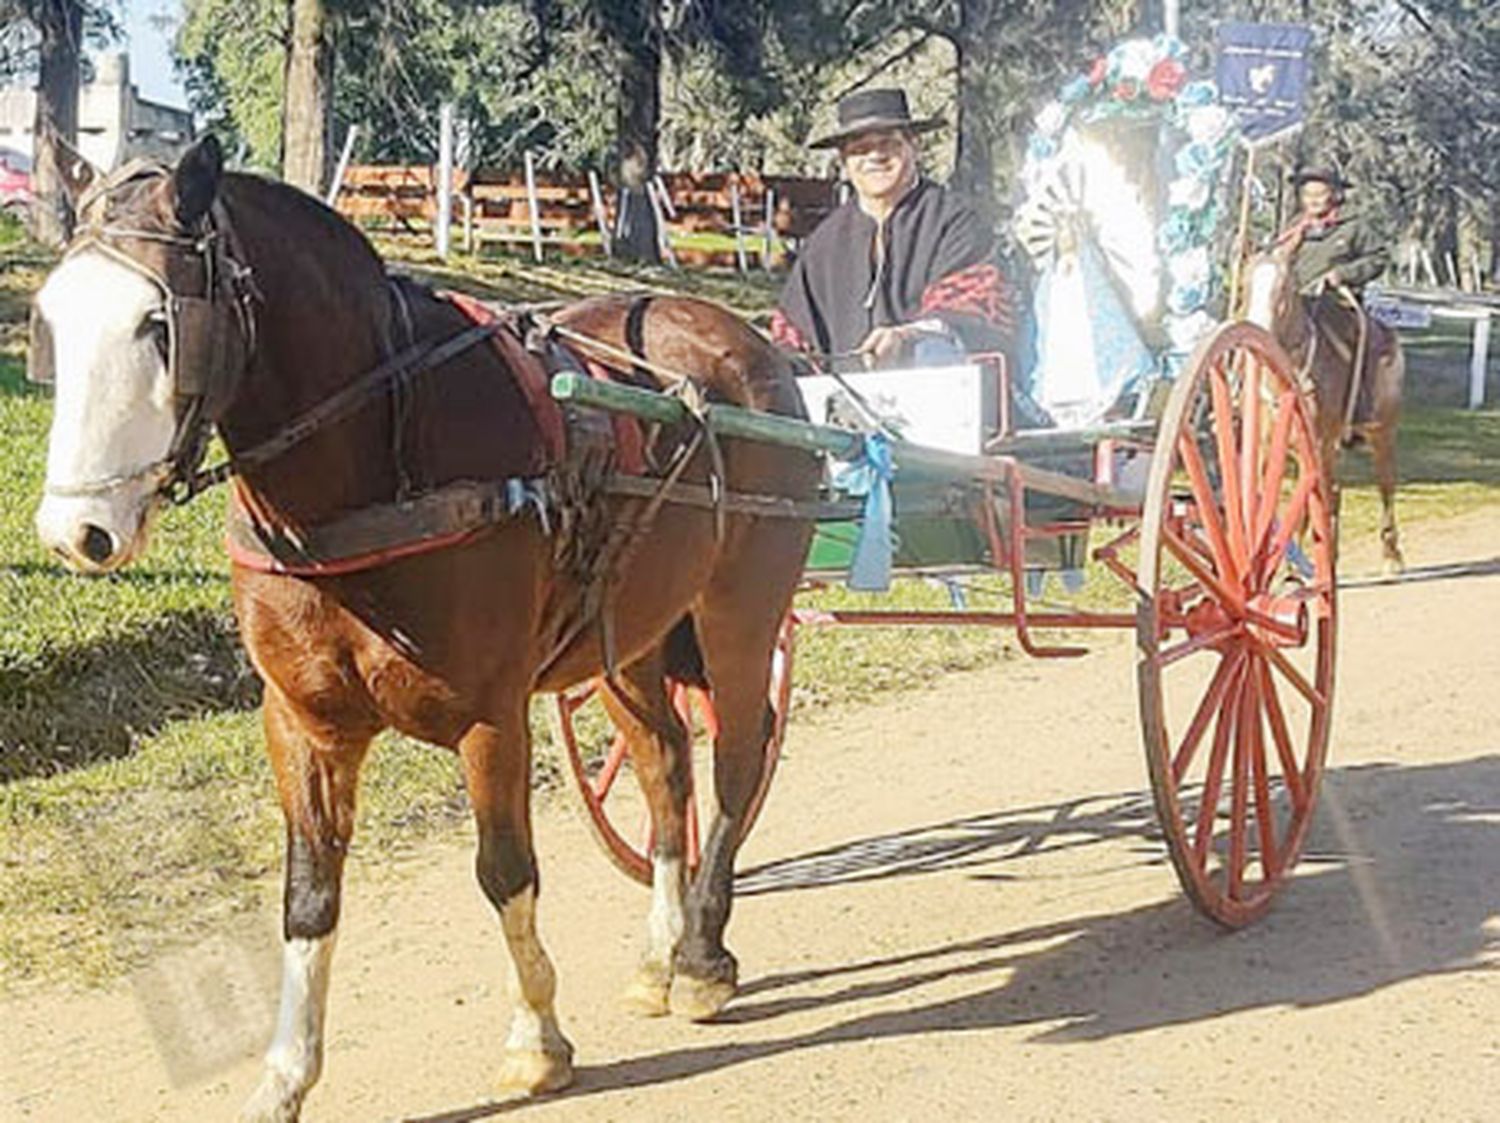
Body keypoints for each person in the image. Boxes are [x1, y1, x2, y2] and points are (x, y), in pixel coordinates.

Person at [769, 88, 1012, 369]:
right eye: (859, 149)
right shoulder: (823, 243)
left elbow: (974, 308)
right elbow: (793, 335)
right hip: (837, 402)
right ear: (844, 160)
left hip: (935, 392)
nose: (875, 156)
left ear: (913, 147)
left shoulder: (954, 221)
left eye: (888, 143)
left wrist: (906, 337)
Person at [1278, 166, 1388, 298]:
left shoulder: (1353, 226)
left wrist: (1344, 274)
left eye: (1320, 194)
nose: (1313, 201)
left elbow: (1378, 258)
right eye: (1307, 195)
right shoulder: (1293, 228)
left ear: (1335, 195)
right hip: (1294, 300)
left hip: (1337, 302)